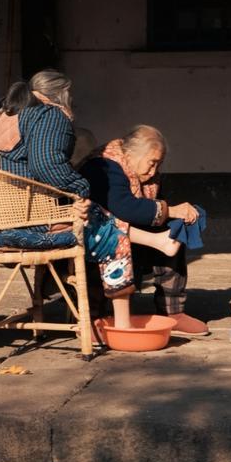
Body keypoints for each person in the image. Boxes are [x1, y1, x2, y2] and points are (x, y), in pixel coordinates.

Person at [0, 71, 183, 331]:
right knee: (110, 234)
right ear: (63, 94)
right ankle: (113, 322)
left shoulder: (2, 113)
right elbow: (46, 165)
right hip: (27, 222)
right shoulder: (49, 114)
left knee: (98, 218)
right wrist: (80, 189)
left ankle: (149, 253)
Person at [79, 125, 209, 336]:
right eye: (152, 163)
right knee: (107, 238)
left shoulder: (147, 177)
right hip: (97, 238)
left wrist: (179, 214)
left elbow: (151, 208)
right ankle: (94, 317)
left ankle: (172, 312)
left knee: (175, 228)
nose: (154, 171)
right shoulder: (103, 165)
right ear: (131, 154)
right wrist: (170, 210)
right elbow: (125, 207)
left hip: (133, 236)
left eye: (159, 164)